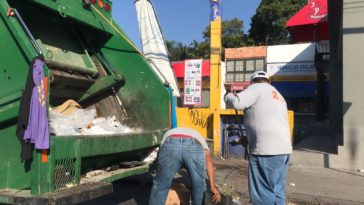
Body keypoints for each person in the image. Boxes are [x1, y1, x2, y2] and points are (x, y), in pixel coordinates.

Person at [224, 71, 292, 205]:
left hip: (266, 152)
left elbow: (237, 102)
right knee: (277, 191)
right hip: (283, 150)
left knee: (263, 194)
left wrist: (228, 95)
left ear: (252, 82)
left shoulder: (256, 88)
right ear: (268, 81)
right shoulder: (277, 94)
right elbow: (266, 120)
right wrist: (249, 140)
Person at [149, 127, 221, 205]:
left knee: (160, 186)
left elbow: (160, 156)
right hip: (193, 144)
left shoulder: (170, 132)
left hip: (170, 142)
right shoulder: (199, 136)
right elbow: (207, 158)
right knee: (198, 185)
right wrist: (212, 186)